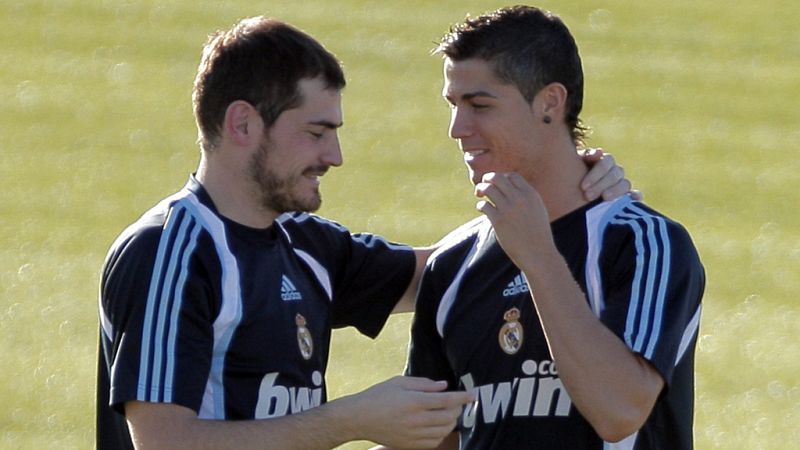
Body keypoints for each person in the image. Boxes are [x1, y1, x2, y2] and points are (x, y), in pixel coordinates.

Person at [96, 15, 631, 450]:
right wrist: (348, 420)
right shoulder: (172, 251)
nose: (334, 156)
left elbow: (458, 273)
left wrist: (574, 192)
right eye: (315, 133)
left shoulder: (306, 247)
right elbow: (164, 443)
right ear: (242, 124)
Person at [403, 5, 705, 450]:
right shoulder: (453, 264)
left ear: (549, 102)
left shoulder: (642, 243)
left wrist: (538, 256)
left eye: (479, 105)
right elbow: (436, 437)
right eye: (452, 105)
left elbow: (619, 411)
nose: (456, 129)